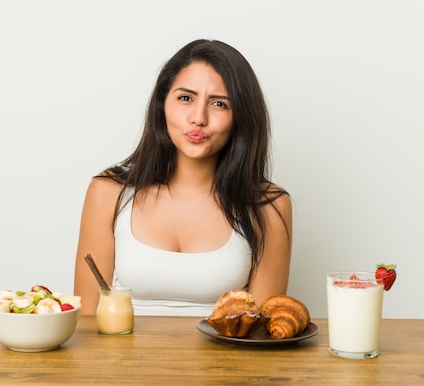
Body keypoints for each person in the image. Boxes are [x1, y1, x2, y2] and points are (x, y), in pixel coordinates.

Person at [73, 39, 292, 316]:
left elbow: (261, 331)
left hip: (226, 361)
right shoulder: (108, 192)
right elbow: (87, 320)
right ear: (162, 103)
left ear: (241, 117)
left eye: (219, 104)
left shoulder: (268, 207)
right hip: (122, 359)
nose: (198, 118)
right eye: (185, 98)